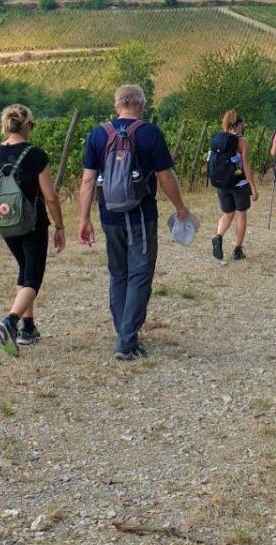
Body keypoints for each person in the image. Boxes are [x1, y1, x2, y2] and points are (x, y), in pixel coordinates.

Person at [78, 84, 192, 361]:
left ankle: (125, 333)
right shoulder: (149, 133)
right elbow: (165, 176)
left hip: (109, 215)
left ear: (116, 105)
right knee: (140, 275)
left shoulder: (98, 133)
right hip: (140, 214)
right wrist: (179, 207)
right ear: (142, 105)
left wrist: (84, 219)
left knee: (119, 274)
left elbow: (88, 179)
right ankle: (126, 341)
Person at [0, 104, 66, 357]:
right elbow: (50, 196)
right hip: (32, 223)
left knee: (24, 271)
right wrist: (59, 226)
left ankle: (28, 328)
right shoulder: (35, 154)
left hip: (5, 224)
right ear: (26, 126)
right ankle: (10, 322)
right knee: (33, 279)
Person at [209, 110, 258, 261]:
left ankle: (218, 236)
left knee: (227, 214)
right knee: (240, 215)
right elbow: (246, 166)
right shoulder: (242, 141)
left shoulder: (216, 139)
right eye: (242, 125)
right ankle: (237, 249)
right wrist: (253, 187)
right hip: (239, 184)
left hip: (221, 184)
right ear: (238, 125)